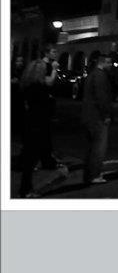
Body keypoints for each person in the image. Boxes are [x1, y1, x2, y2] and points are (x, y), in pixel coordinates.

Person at [17, 44, 61, 197]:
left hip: (29, 121)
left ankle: (27, 186)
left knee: (31, 154)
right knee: (31, 156)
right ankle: (26, 190)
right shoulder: (39, 88)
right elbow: (48, 86)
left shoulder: (27, 86)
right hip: (37, 123)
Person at [81, 51, 113, 185]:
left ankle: (88, 174)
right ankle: (94, 174)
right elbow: (102, 98)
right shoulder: (100, 76)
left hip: (88, 116)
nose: (111, 65)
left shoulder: (92, 75)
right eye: (109, 62)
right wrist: (106, 115)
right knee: (98, 147)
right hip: (97, 117)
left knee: (91, 147)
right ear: (103, 62)